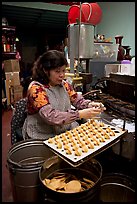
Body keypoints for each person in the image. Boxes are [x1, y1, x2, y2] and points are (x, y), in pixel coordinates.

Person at [22, 50, 105, 140]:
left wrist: (90, 105)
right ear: (45, 70)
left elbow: (77, 100)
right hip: (42, 133)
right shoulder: (37, 89)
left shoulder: (64, 85)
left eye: (63, 70)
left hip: (63, 130)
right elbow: (51, 116)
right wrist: (79, 114)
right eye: (57, 71)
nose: (62, 75)